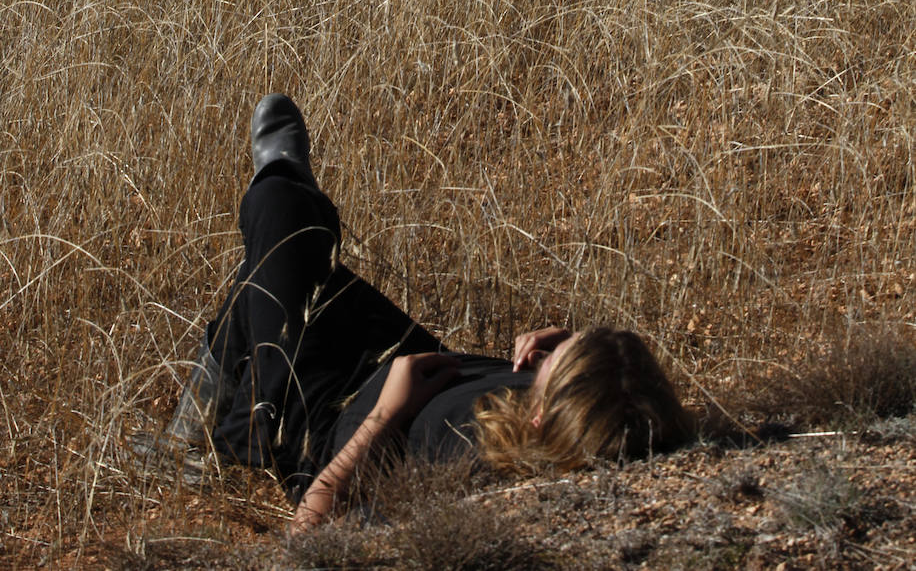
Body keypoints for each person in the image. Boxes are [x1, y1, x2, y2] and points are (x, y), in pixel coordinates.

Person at [148, 95, 694, 532]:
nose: (546, 354)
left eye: (559, 363)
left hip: (330, 412)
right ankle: (221, 429)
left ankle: (243, 431)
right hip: (410, 360)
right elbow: (626, 403)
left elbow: (307, 533)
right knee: (286, 272)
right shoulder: (597, 420)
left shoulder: (479, 469)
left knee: (280, 221)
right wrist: (577, 357)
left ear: (540, 416)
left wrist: (385, 414)